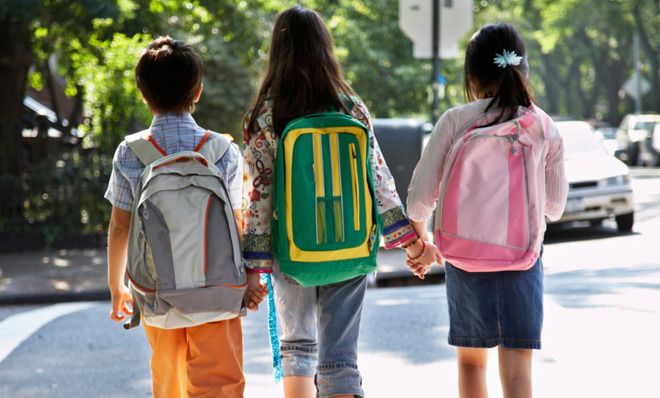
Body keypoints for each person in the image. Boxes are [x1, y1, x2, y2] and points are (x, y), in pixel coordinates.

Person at [241, 6, 437, 398]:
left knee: (296, 347)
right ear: (325, 49)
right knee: (340, 356)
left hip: (291, 251)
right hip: (350, 245)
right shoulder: (351, 108)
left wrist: (254, 269)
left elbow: (257, 200)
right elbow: (380, 185)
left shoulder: (265, 116)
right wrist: (415, 245)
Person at [406, 23, 568, 398]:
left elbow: (418, 201)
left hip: (464, 257)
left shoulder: (455, 120)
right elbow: (555, 208)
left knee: (470, 363)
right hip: (522, 258)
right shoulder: (543, 126)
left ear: (472, 77)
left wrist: (424, 242)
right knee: (517, 373)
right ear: (523, 71)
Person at [105, 36, 266, 398]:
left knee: (169, 382)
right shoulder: (222, 150)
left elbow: (120, 225)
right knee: (221, 384)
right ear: (198, 92)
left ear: (143, 93)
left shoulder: (132, 152)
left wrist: (118, 287)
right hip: (219, 289)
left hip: (156, 291)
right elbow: (240, 220)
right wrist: (251, 279)